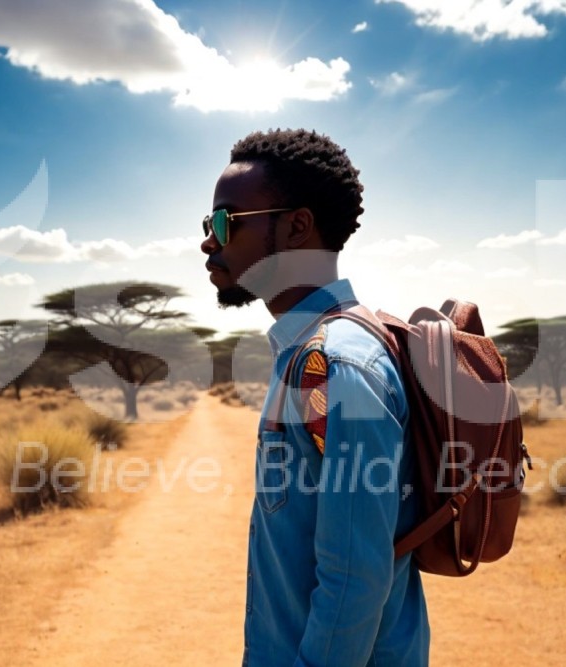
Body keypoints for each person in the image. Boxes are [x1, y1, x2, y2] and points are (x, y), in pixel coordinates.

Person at [200, 128, 429, 666]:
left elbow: (355, 575)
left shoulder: (334, 364)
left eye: (226, 221)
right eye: (209, 224)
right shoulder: (314, 350)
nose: (210, 241)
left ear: (297, 226)